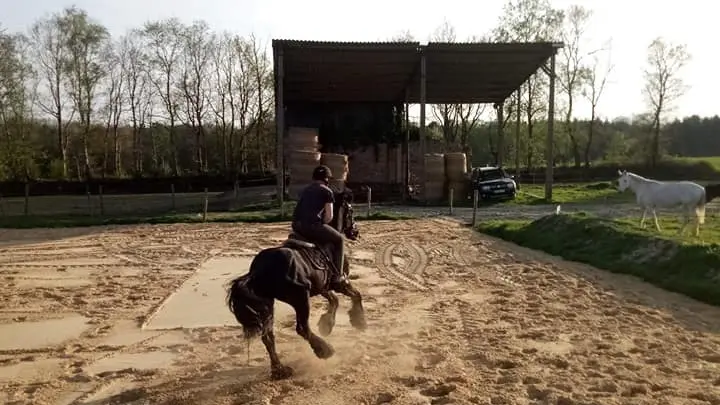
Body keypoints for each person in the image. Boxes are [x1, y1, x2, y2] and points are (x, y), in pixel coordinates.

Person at [291, 165, 346, 284]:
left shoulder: (305, 189)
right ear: (326, 179)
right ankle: (338, 275)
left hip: (297, 226)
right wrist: (322, 224)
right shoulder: (327, 191)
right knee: (340, 240)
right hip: (312, 227)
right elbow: (329, 217)